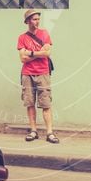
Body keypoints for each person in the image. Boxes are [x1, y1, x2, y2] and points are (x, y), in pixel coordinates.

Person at [17, 9, 59, 143]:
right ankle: (33, 131)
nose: (37, 21)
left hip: (43, 72)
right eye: (34, 19)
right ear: (28, 21)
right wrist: (38, 53)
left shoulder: (44, 34)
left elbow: (47, 53)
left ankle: (50, 133)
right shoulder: (22, 38)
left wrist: (30, 53)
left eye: (38, 19)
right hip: (27, 73)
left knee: (46, 103)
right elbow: (22, 59)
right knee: (30, 103)